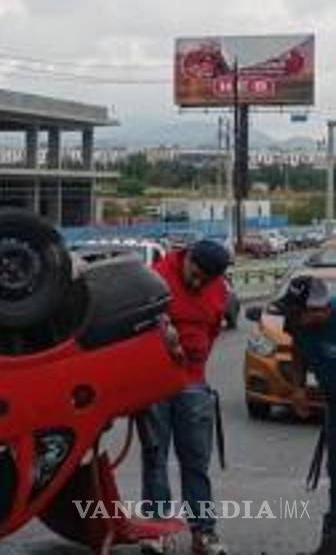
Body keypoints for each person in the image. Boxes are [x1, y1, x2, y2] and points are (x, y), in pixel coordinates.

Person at [140, 238, 231, 555]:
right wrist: (163, 337)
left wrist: (195, 365)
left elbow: (214, 329)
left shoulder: (219, 289)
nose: (198, 282)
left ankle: (203, 533)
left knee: (196, 461)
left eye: (206, 279)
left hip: (193, 381)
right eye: (195, 273)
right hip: (155, 382)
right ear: (187, 257)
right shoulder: (156, 276)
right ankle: (158, 530)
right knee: (155, 458)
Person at [276, 274, 336, 555]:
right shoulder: (298, 323)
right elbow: (297, 350)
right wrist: (298, 388)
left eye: (297, 312)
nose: (291, 318)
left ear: (319, 310)